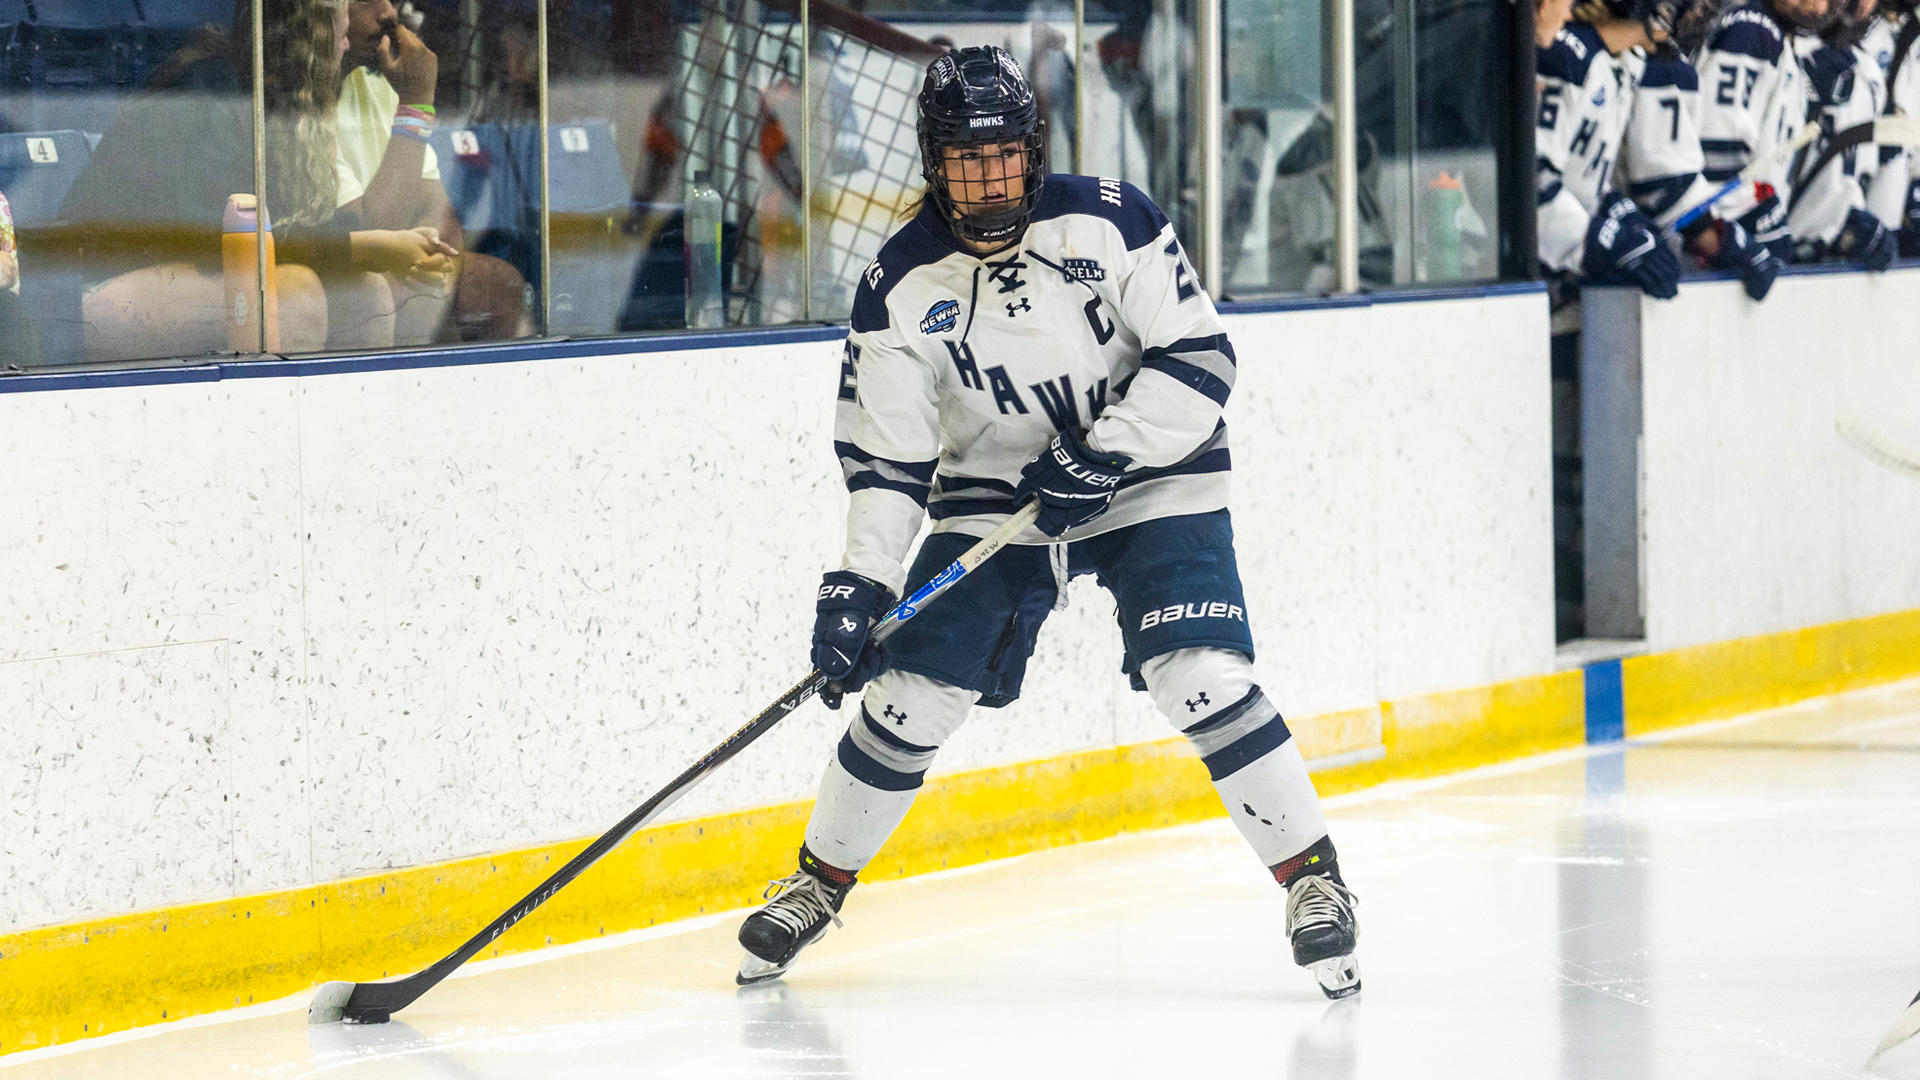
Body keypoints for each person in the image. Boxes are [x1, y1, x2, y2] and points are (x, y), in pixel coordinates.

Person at [731, 45, 1362, 1001]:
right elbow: (890, 463)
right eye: (965, 161)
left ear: (1033, 150)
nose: (988, 181)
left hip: (1153, 472)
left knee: (1200, 677)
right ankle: (814, 886)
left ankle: (1315, 883)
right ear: (933, 163)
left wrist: (1106, 450)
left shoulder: (1111, 220)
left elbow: (1203, 357)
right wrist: (859, 583)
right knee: (908, 695)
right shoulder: (898, 287)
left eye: (1005, 156)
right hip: (996, 494)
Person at [59, 0, 454, 360]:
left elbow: (288, 233)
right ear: (309, 38)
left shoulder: (287, 105)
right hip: (91, 293)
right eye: (339, 34)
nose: (346, 47)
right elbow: (231, 246)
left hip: (185, 281)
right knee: (294, 298)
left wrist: (373, 251)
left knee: (363, 292)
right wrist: (374, 245)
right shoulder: (212, 86)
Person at [332, 0, 530, 345]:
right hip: (343, 275)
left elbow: (441, 219)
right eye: (366, 0)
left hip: (399, 270)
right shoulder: (298, 103)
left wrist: (426, 263)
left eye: (391, 0)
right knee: (377, 294)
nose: (389, 14)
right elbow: (362, 236)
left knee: (499, 284)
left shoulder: (378, 81)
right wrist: (416, 103)